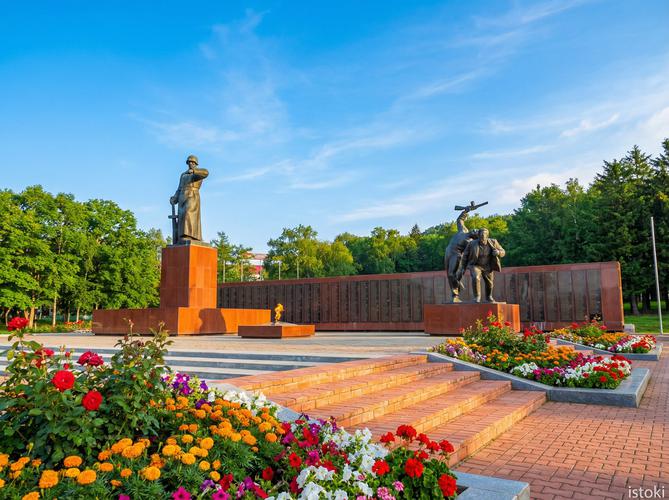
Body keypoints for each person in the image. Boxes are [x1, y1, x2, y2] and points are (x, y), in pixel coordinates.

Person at [170, 155, 209, 243]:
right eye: (189, 162)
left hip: (193, 195)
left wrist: (194, 171)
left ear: (196, 163)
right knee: (182, 216)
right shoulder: (183, 174)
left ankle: (190, 235)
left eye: (192, 162)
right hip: (182, 196)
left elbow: (206, 173)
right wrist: (175, 198)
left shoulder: (198, 173)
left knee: (188, 213)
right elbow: (179, 188)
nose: (190, 163)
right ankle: (183, 236)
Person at [462, 228, 505, 303]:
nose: (482, 236)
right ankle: (477, 297)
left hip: (488, 266)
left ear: (487, 236)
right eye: (481, 234)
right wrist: (463, 267)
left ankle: (489, 297)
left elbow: (503, 251)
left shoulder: (493, 242)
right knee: (476, 277)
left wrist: (498, 252)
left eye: (484, 234)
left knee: (489, 283)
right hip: (476, 265)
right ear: (478, 235)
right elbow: (465, 255)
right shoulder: (471, 243)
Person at [444, 209, 478, 302]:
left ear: (475, 236)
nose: (475, 230)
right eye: (476, 229)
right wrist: (465, 212)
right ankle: (455, 292)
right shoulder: (464, 230)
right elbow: (460, 220)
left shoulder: (470, 242)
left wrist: (466, 265)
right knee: (448, 274)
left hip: (456, 255)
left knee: (451, 274)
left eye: (476, 232)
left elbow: (469, 254)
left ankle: (455, 293)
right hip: (448, 251)